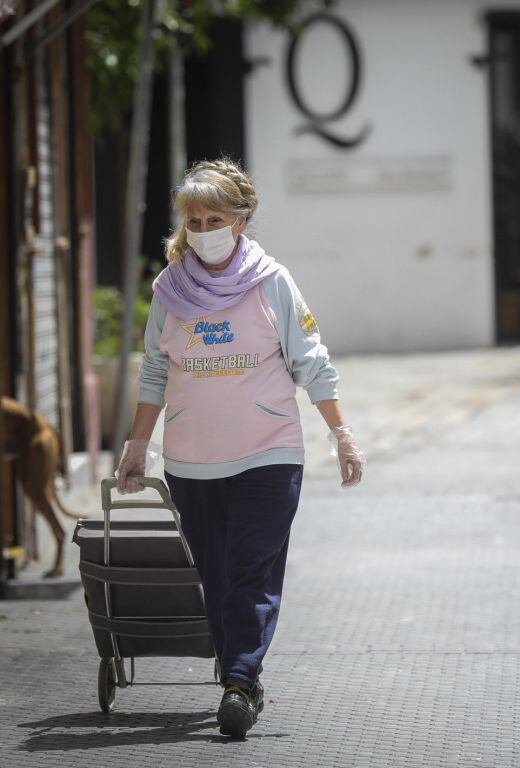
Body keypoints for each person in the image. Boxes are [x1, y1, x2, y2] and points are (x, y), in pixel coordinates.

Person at [114, 158, 365, 738]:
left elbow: (311, 362)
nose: (204, 230)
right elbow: (155, 370)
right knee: (217, 574)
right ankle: (240, 676)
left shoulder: (271, 281)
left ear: (242, 218)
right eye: (194, 220)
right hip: (192, 459)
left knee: (250, 570)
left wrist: (342, 434)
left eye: (215, 218)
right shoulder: (169, 289)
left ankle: (238, 680)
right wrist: (137, 444)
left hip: (268, 454)